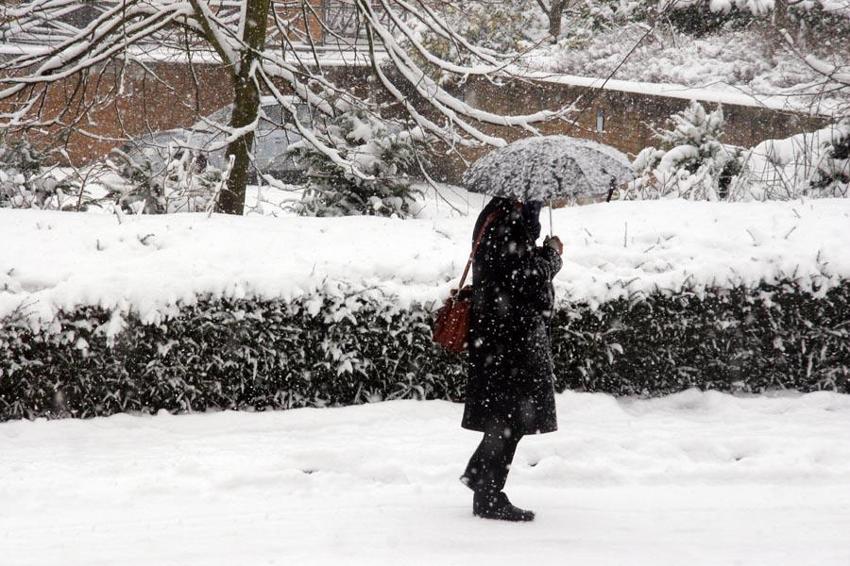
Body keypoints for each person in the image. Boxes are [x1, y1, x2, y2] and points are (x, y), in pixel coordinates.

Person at [459, 196, 563, 522]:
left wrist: (537, 247)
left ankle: (480, 477)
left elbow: (514, 270)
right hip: (509, 340)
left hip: (502, 337)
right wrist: (551, 257)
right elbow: (523, 276)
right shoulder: (507, 220)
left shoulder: (502, 215)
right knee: (510, 418)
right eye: (538, 200)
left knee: (507, 417)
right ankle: (488, 495)